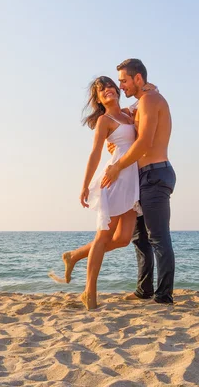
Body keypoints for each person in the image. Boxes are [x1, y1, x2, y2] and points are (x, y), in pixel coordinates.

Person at [52, 76, 141, 310]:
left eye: (110, 86)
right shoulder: (105, 120)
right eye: (102, 90)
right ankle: (89, 292)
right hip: (112, 180)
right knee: (103, 238)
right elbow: (95, 153)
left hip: (131, 182)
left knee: (122, 239)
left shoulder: (128, 114)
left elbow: (146, 96)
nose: (108, 90)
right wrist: (84, 184)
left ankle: (74, 255)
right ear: (98, 99)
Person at [102, 58, 176, 304]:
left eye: (124, 80)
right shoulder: (142, 102)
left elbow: (144, 142)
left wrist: (117, 167)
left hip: (155, 173)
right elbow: (128, 122)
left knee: (158, 237)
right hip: (141, 176)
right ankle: (144, 290)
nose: (121, 85)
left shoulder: (150, 100)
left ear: (138, 78)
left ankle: (163, 296)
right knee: (140, 238)